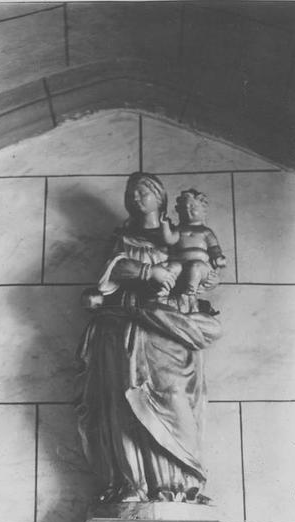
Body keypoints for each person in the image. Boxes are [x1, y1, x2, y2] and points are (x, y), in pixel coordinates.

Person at [75, 173, 221, 504]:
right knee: (126, 400)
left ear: (159, 198)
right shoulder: (123, 238)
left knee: (173, 393)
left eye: (143, 192)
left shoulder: (177, 236)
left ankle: (183, 483)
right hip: (128, 325)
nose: (136, 198)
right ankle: (134, 483)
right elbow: (111, 272)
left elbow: (200, 265)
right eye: (131, 193)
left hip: (168, 324)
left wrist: (206, 276)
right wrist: (146, 272)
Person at [159, 189, 226, 297]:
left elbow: (214, 249)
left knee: (195, 267)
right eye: (184, 208)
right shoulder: (179, 230)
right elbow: (169, 240)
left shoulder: (206, 232)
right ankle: (164, 290)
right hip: (181, 264)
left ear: (203, 210)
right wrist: (164, 224)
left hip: (201, 266)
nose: (188, 210)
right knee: (171, 269)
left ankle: (190, 291)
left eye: (192, 207)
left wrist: (218, 258)